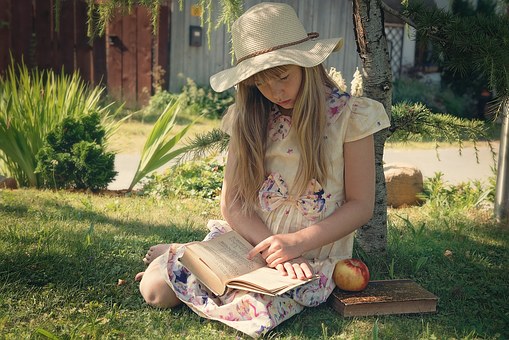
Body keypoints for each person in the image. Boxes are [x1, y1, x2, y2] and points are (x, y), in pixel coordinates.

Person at [135, 2, 390, 337]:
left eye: (283, 77)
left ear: (307, 64)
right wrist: (273, 246)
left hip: (306, 257)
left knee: (257, 311)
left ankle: (181, 254)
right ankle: (180, 255)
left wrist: (295, 244)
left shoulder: (351, 118)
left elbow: (360, 205)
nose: (275, 92)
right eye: (261, 83)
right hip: (250, 243)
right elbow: (234, 204)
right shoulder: (249, 119)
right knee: (157, 292)